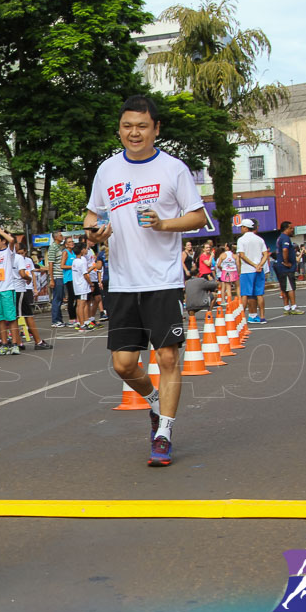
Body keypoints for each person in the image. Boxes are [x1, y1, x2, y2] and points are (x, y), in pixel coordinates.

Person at [84, 94, 208, 467]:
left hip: (163, 279)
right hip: (122, 281)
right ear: (119, 129)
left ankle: (164, 433)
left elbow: (199, 217)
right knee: (123, 365)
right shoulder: (107, 170)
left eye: (141, 126)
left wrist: (163, 223)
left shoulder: (173, 170)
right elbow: (91, 217)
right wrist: (95, 234)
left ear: (156, 129)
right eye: (127, 126)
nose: (133, 133)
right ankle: (155, 404)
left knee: (168, 357)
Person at [15, 241, 51, 350]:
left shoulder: (26, 260)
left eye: (22, 252)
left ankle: (18, 342)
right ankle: (35, 341)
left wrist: (34, 286)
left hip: (26, 289)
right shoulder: (14, 258)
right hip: (19, 289)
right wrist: (28, 279)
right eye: (18, 252)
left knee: (23, 315)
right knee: (23, 316)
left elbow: (32, 274)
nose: (21, 254)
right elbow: (24, 275)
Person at [237, 218, 269, 324]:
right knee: (259, 294)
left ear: (245, 228)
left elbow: (242, 255)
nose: (241, 229)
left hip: (247, 270)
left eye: (242, 227)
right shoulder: (259, 239)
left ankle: (242, 318)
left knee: (245, 294)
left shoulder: (241, 240)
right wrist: (260, 264)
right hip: (259, 270)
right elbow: (265, 254)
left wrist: (254, 264)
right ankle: (262, 317)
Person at [274, 221, 305, 315]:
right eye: (291, 228)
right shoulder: (285, 238)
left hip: (281, 267)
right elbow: (285, 250)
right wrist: (286, 262)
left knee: (284, 287)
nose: (292, 230)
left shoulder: (280, 237)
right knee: (290, 287)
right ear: (286, 229)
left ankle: (286, 307)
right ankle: (293, 306)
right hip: (285, 268)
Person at [46, 229, 66, 327]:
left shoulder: (59, 247)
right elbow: (51, 263)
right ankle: (55, 320)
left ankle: (59, 319)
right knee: (57, 298)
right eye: (61, 236)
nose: (62, 237)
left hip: (61, 275)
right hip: (57, 276)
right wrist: (52, 279)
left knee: (60, 298)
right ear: (56, 237)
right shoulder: (53, 247)